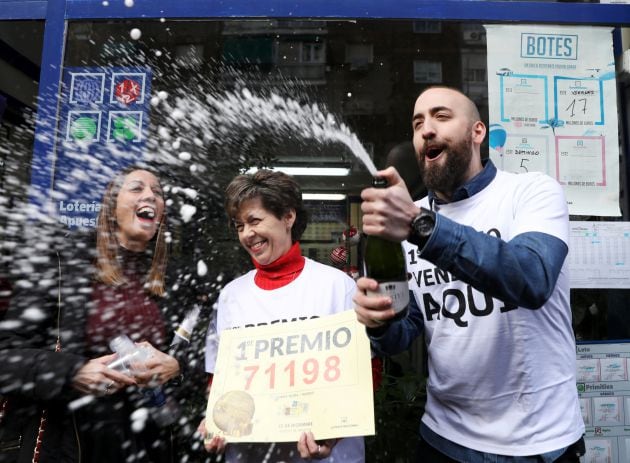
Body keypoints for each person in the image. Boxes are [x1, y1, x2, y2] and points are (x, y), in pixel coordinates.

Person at [353, 86, 585, 462]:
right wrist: (378, 321)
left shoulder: (532, 192)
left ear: (477, 132)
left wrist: (421, 226)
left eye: (441, 117)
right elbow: (406, 330)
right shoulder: (409, 220)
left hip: (538, 443)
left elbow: (531, 278)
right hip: (444, 438)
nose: (426, 129)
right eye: (417, 123)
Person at [0, 166, 190, 463]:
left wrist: (175, 367)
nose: (151, 196)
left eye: (158, 193)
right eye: (137, 188)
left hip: (146, 443)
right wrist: (72, 372)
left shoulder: (172, 279)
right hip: (72, 444)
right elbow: (6, 358)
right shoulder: (62, 264)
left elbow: (188, 358)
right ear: (111, 205)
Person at [200, 169, 365, 462]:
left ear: (288, 217)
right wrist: (216, 422)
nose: (247, 234)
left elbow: (366, 374)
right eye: (239, 226)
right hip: (250, 453)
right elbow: (219, 382)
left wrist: (333, 432)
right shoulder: (231, 296)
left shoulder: (337, 286)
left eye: (254, 220)